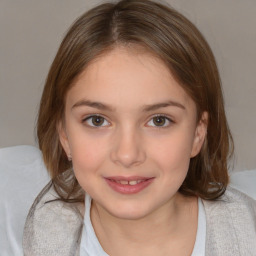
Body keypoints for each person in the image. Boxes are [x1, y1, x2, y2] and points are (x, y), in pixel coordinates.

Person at [23, 0, 256, 255]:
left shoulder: (245, 235)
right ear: (64, 135)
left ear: (198, 134)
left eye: (159, 120)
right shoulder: (42, 234)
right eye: (97, 120)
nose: (127, 154)